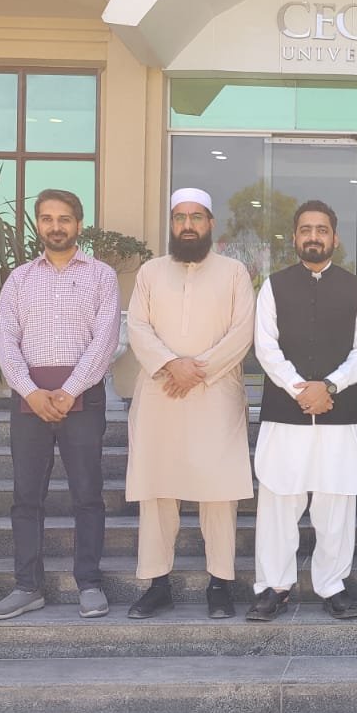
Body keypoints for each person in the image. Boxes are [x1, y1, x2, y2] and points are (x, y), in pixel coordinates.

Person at [0, 188, 122, 620]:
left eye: (64, 219)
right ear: (38, 225)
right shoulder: (19, 279)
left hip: (83, 399)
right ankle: (28, 586)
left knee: (88, 494)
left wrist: (70, 390)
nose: (55, 226)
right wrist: (29, 391)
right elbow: (5, 340)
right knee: (26, 496)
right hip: (30, 398)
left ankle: (90, 583)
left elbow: (105, 339)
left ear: (78, 224)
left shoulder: (102, 276)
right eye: (47, 219)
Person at [123, 188, 256, 619]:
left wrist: (196, 370)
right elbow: (137, 327)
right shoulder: (150, 272)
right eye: (180, 218)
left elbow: (242, 332)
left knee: (219, 493)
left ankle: (220, 584)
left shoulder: (234, 272)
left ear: (210, 224)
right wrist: (170, 365)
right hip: (160, 394)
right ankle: (156, 584)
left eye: (196, 217)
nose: (187, 226)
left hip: (215, 395)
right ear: (171, 224)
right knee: (157, 490)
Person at [246, 200, 357, 622]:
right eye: (306, 229)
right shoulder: (273, 287)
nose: (314, 236)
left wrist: (330, 386)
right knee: (278, 503)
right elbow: (265, 347)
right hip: (287, 411)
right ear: (295, 237)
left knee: (335, 505)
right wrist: (301, 390)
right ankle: (273, 587)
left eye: (322, 229)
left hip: (339, 410)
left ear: (334, 237)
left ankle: (332, 585)